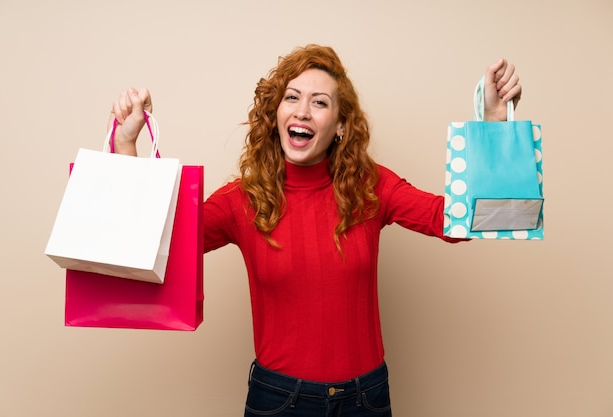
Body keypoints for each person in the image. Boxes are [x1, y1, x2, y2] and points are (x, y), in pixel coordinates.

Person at [109, 44, 522, 417]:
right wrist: (128, 145)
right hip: (279, 400)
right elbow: (154, 247)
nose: (302, 111)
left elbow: (459, 221)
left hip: (367, 400)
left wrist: (496, 125)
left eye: (319, 102)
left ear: (340, 126)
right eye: (292, 98)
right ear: (276, 115)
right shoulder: (242, 200)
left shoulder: (371, 186)